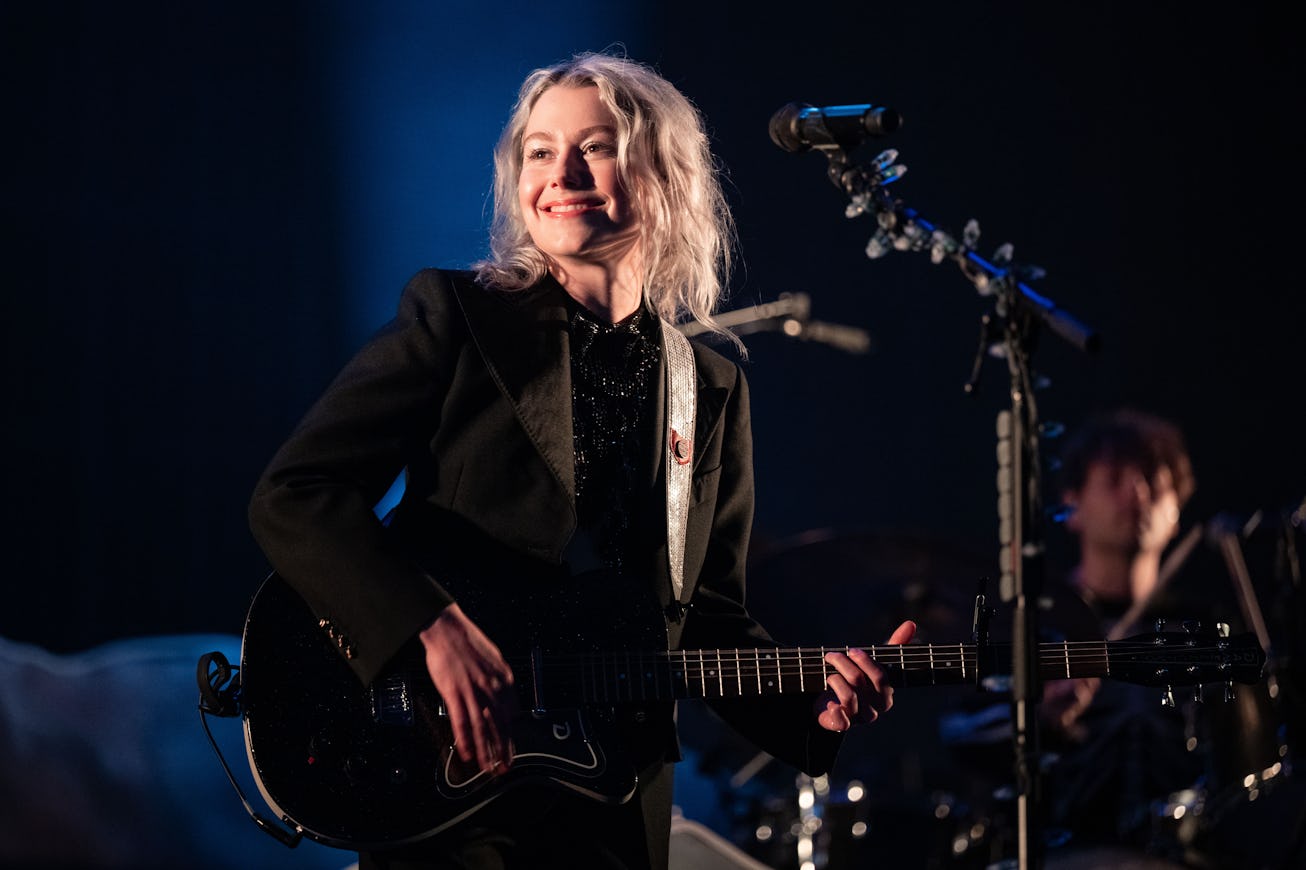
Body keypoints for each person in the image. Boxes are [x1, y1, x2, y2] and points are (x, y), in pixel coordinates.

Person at [247, 50, 914, 870]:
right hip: (452, 768)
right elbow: (296, 493)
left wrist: (810, 705)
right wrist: (430, 628)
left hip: (616, 788)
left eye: (596, 147)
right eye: (539, 149)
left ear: (664, 177)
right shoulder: (458, 317)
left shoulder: (709, 387)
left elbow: (698, 618)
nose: (560, 172)